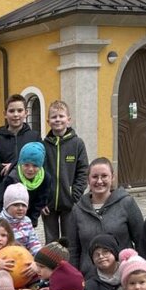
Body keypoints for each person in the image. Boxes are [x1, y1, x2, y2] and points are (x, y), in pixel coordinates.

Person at [68, 158, 144, 275]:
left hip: (124, 274)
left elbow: (141, 240)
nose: (99, 181)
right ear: (88, 179)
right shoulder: (77, 210)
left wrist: (141, 270)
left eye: (104, 176)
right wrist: (74, 277)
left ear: (112, 177)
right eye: (94, 177)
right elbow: (73, 250)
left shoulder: (126, 203)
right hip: (90, 277)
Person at [41, 101, 89, 244]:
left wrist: (74, 195)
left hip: (70, 203)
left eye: (61, 116)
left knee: (70, 240)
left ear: (68, 119)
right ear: (48, 121)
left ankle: (70, 265)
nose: (57, 119)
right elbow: (38, 174)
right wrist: (41, 200)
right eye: (54, 117)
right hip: (48, 205)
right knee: (51, 241)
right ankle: (52, 266)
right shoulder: (43, 145)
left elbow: (83, 171)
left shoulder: (77, 144)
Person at [0, 94, 41, 218]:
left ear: (26, 113)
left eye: (20, 110)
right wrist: (22, 166)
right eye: (11, 111)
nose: (16, 114)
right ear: (5, 114)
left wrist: (13, 165)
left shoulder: (34, 137)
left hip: (28, 194)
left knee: (25, 231)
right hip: (3, 194)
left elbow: (40, 162)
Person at [0, 142, 53, 228]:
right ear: (20, 163)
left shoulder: (45, 178)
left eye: (35, 166)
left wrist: (32, 222)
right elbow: (2, 203)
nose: (30, 169)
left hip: (29, 216)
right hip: (9, 218)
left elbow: (40, 201)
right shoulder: (12, 178)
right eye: (26, 165)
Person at [0, 183, 42, 255]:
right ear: (7, 206)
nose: (20, 208)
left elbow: (33, 242)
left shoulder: (27, 221)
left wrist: (40, 256)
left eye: (24, 205)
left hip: (23, 256)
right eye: (16, 205)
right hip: (4, 256)